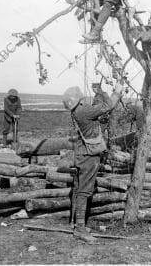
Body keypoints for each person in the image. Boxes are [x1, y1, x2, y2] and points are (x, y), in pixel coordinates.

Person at [62, 79, 123, 244]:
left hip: (82, 154)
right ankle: (80, 229)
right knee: (84, 190)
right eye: (82, 99)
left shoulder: (77, 112)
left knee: (79, 188)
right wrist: (117, 91)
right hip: (88, 156)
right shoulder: (84, 111)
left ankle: (76, 224)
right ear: (79, 100)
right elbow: (108, 106)